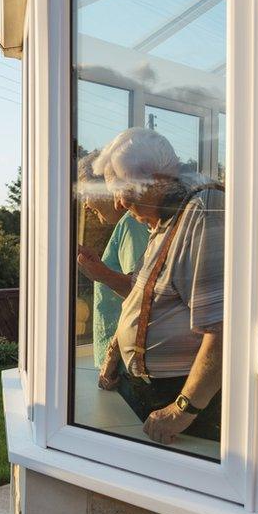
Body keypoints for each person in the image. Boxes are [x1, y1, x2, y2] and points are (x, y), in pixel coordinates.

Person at [89, 128, 225, 445]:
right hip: (148, 389)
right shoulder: (165, 220)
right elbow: (143, 295)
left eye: (121, 190)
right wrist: (114, 354)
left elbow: (224, 328)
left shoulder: (204, 212)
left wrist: (183, 409)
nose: (119, 204)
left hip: (181, 396)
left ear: (154, 178)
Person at [75, 152, 149, 368]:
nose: (86, 204)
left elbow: (140, 296)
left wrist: (112, 356)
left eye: (87, 193)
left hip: (121, 366)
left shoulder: (131, 224)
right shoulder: (125, 225)